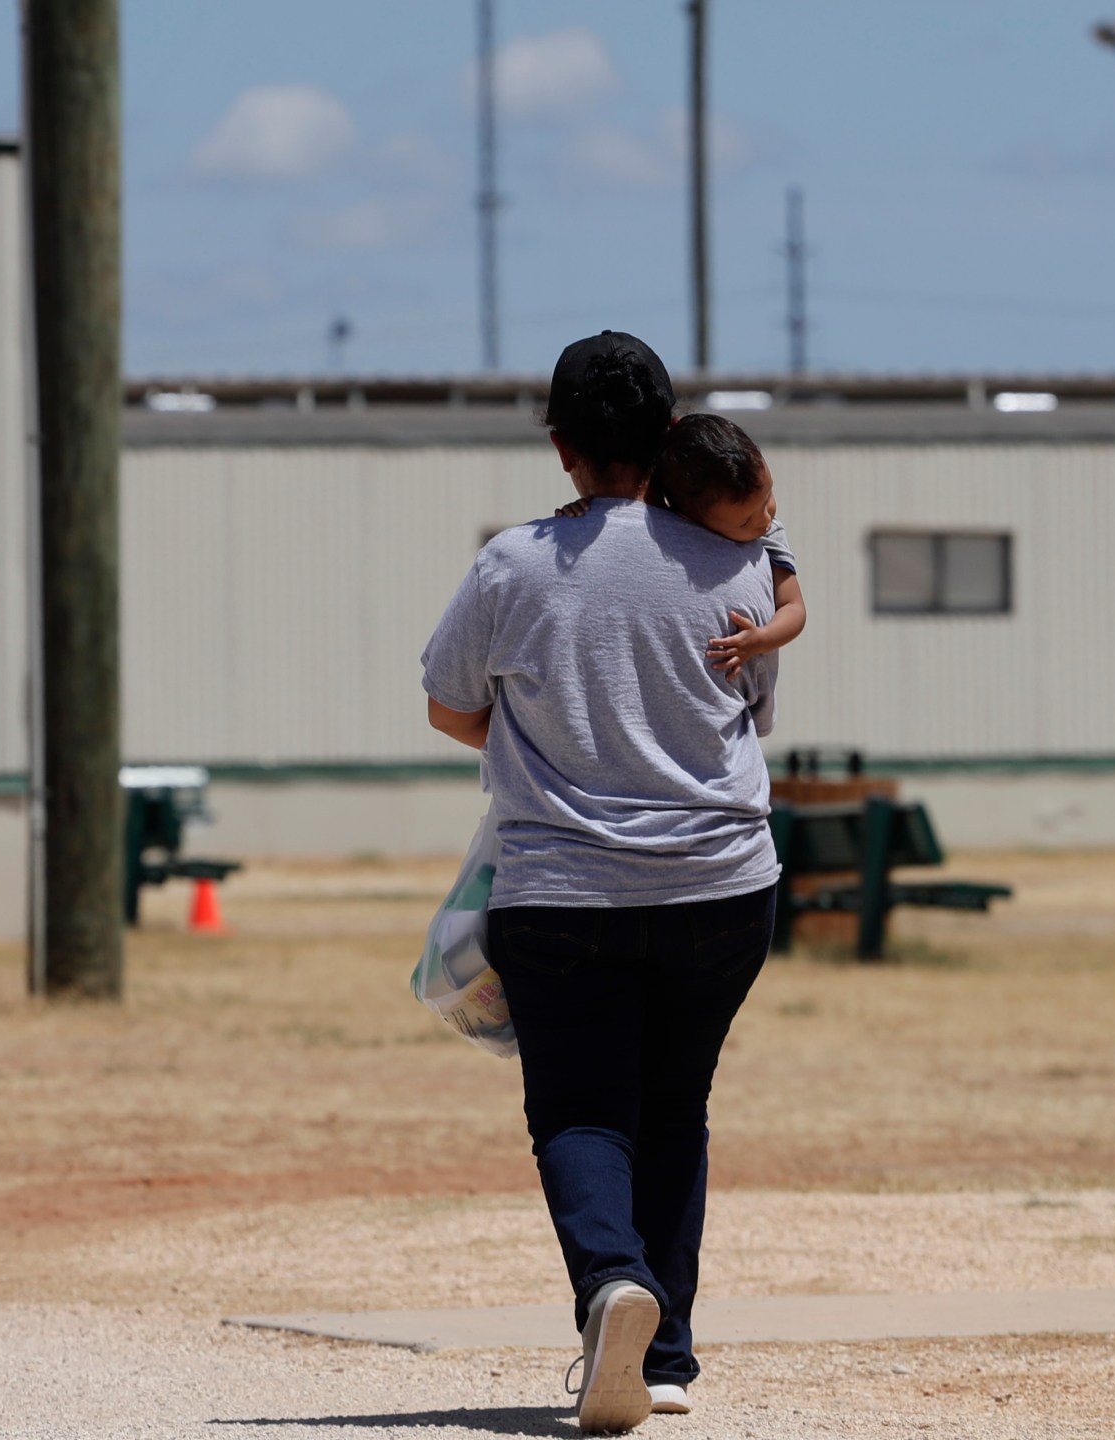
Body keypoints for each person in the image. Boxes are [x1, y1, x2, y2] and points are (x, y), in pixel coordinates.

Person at [420, 331, 782, 1434]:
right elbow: (750, 712)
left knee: (581, 1107)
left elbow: (447, 705)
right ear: (671, 434)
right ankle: (664, 1360)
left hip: (562, 887)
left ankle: (611, 1285)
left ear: (559, 445)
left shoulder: (513, 563)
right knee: (677, 1102)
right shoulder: (739, 561)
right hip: (723, 883)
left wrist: (524, 737)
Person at [556, 411, 806, 679]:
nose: (766, 519)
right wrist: (583, 511)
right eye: (746, 522)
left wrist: (761, 639)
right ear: (690, 520)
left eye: (768, 497)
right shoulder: (669, 530)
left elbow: (794, 607)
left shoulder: (769, 538)